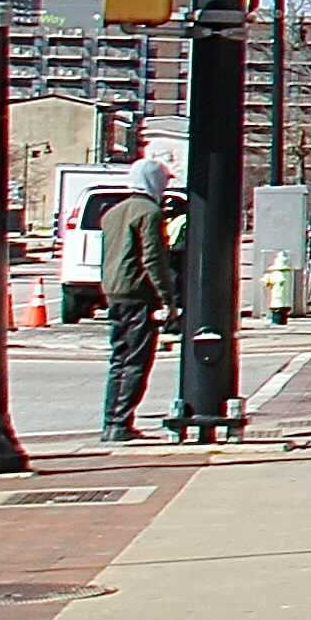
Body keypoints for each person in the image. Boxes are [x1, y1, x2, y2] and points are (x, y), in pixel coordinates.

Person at [97, 163, 180, 443]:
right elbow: (153, 259)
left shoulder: (112, 213)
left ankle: (111, 421)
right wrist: (168, 300)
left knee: (118, 359)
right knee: (136, 361)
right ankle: (121, 423)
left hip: (115, 292)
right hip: (138, 294)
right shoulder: (149, 214)